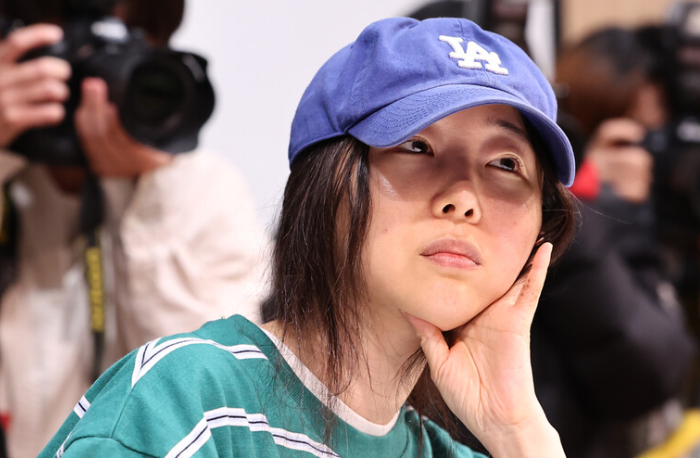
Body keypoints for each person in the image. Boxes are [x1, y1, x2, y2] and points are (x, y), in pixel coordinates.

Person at [39, 17, 576, 457]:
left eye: (506, 163)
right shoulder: (189, 406)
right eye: (416, 146)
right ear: (325, 180)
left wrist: (517, 429)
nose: (463, 198)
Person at [0, 1, 268, 457]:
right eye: (70, 41)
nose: (92, 80)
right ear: (1, 40)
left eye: (121, 43)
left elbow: (218, 402)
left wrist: (150, 198)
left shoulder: (204, 188)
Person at [531, 26, 697, 458]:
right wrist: (585, 204)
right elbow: (647, 369)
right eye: (633, 138)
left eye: (658, 137)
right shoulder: (544, 224)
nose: (649, 157)